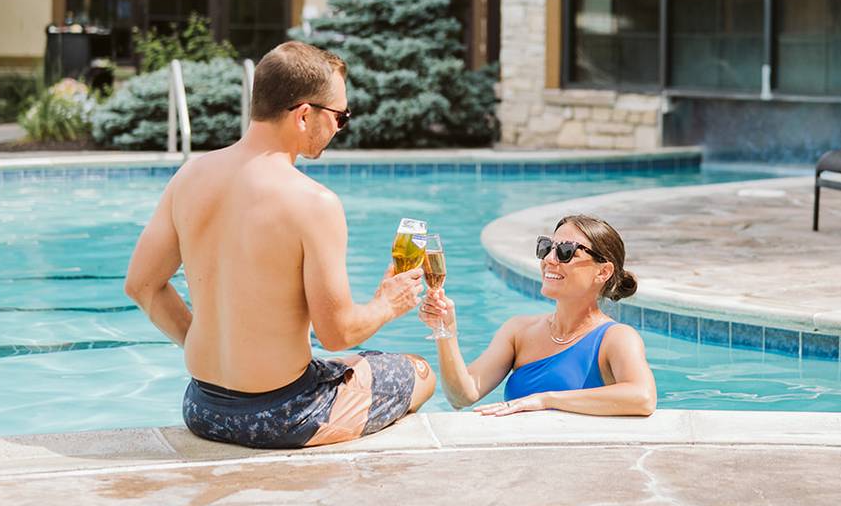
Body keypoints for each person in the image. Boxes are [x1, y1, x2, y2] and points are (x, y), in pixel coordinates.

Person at [123, 41, 435, 448]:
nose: (340, 127)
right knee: (419, 371)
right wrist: (387, 303)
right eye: (341, 116)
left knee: (340, 366)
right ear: (305, 115)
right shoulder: (313, 203)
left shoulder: (189, 177)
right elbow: (338, 333)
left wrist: (206, 342)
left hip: (202, 408)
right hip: (284, 416)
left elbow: (141, 285)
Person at [419, 215, 656, 417]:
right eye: (546, 247)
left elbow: (643, 397)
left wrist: (546, 400)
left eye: (566, 252)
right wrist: (446, 330)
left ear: (603, 271)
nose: (549, 259)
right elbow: (461, 395)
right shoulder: (518, 331)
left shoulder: (616, 338)